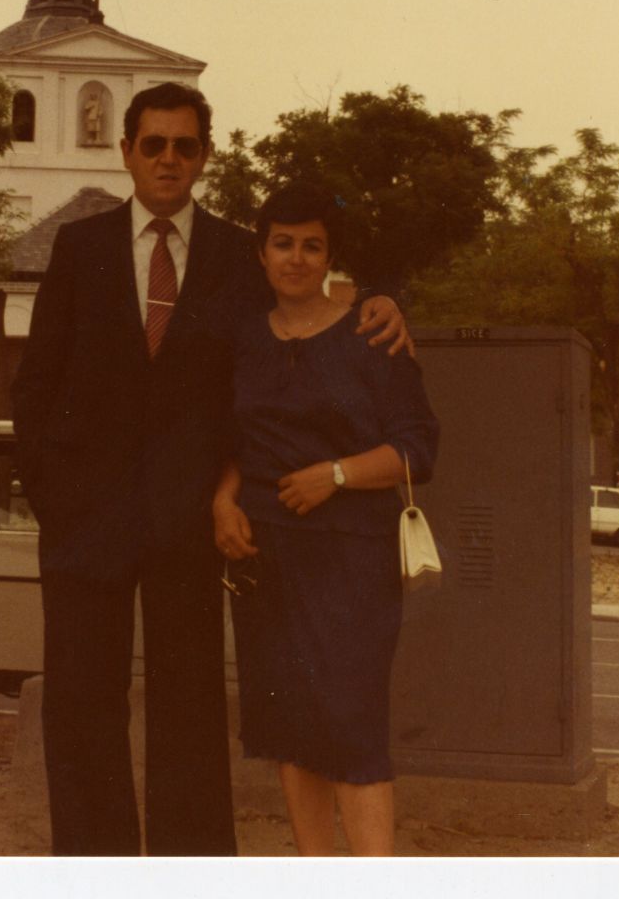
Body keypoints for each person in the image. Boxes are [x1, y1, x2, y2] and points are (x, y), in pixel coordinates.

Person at [12, 82, 410, 857]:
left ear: (205, 156)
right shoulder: (80, 247)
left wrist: (382, 296)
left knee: (190, 708)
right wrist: (55, 500)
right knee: (82, 704)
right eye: (153, 144)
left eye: (184, 146)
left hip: (191, 520)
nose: (168, 159)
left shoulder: (238, 252)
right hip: (84, 525)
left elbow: (311, 295)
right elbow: (36, 385)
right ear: (126, 151)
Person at [212, 182, 440, 857]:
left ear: (330, 257)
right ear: (261, 254)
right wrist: (222, 500)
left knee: (351, 724)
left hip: (350, 560)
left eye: (313, 245)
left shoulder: (371, 333)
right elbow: (230, 441)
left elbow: (417, 447)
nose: (297, 258)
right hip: (266, 560)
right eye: (283, 243)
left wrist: (335, 475)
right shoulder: (244, 340)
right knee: (291, 726)